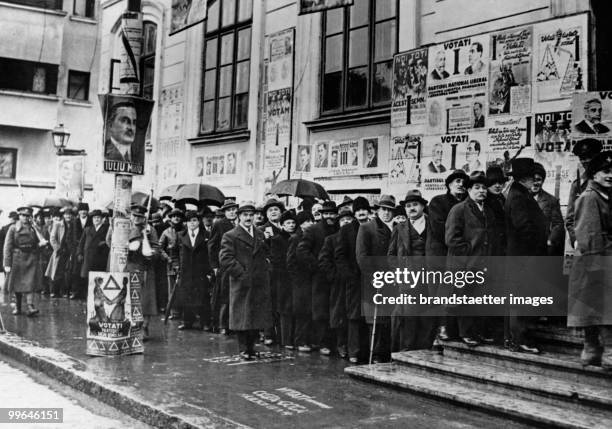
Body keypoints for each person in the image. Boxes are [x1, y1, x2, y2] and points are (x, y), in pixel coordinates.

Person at [568, 151, 612, 368]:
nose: (610, 175)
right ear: (594, 174)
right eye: (606, 171)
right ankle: (605, 351)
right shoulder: (589, 197)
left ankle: (592, 350)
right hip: (595, 261)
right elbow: (588, 234)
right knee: (602, 306)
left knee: (594, 306)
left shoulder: (604, 195)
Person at [446, 171, 500, 347]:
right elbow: (451, 239)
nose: (481, 191)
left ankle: (478, 332)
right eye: (477, 187)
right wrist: (469, 253)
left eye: (484, 187)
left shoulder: (489, 211)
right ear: (469, 190)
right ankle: (466, 333)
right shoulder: (459, 209)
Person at [504, 158, 548, 354]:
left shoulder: (518, 193)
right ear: (525, 178)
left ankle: (517, 338)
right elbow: (524, 227)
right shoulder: (519, 196)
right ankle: (518, 339)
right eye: (532, 178)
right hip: (524, 256)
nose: (534, 182)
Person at [219, 202, 272, 360]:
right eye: (245, 215)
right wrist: (241, 274)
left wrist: (266, 269)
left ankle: (251, 348)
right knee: (242, 316)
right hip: (241, 281)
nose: (248, 218)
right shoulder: (231, 235)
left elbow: (266, 254)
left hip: (259, 281)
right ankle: (243, 348)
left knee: (256, 316)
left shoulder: (260, 234)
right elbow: (226, 259)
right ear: (239, 217)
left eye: (251, 215)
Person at [388, 190, 435, 351]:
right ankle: (406, 351)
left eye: (415, 204)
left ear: (423, 206)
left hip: (430, 280)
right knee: (408, 317)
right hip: (408, 281)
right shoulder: (399, 228)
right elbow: (391, 255)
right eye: (408, 206)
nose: (411, 208)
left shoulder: (433, 225)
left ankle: (424, 351)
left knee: (427, 317)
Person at [426, 170, 468, 341]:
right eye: (457, 181)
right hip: (440, 256)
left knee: (456, 292)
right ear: (449, 184)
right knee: (440, 293)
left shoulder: (467, 204)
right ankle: (440, 329)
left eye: (464, 182)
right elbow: (439, 229)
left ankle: (452, 329)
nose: (460, 185)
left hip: (458, 255)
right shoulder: (438, 202)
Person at [356, 194, 396, 363]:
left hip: (392, 280)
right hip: (374, 280)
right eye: (383, 209)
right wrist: (374, 277)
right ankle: (376, 355)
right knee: (375, 319)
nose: (386, 213)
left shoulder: (396, 228)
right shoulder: (367, 228)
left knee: (388, 318)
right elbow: (362, 257)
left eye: (390, 210)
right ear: (377, 210)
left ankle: (386, 353)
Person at [296, 201, 338, 354]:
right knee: (320, 311)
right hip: (319, 277)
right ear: (321, 215)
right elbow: (302, 251)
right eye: (326, 214)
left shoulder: (340, 229)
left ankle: (332, 343)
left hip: (336, 276)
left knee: (334, 310)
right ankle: (322, 343)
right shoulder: (313, 230)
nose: (329, 217)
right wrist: (316, 266)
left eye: (332, 213)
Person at [336, 197, 371, 363]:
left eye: (364, 209)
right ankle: (354, 352)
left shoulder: (374, 227)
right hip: (354, 280)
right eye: (358, 210)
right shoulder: (347, 230)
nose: (361, 213)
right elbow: (340, 255)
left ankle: (366, 351)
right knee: (354, 316)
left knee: (369, 316)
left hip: (371, 279)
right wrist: (349, 275)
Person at [319, 206, 354, 359]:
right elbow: (324, 260)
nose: (346, 222)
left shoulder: (356, 237)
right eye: (343, 220)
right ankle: (341, 344)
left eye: (349, 220)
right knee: (338, 315)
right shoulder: (332, 239)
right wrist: (334, 276)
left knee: (352, 315)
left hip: (353, 282)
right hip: (338, 284)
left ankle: (351, 344)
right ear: (338, 222)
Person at [3, 206, 45, 316]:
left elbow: (37, 244)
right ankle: (18, 306)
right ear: (19, 216)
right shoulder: (13, 228)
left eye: (27, 216)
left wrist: (40, 245)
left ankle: (30, 306)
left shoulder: (33, 228)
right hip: (17, 259)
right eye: (23, 215)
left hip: (30, 258)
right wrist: (7, 263)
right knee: (17, 284)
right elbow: (7, 247)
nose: (25, 218)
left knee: (30, 283)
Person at [126, 204, 159, 340]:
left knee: (146, 300)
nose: (136, 219)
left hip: (145, 268)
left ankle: (144, 327)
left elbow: (155, 248)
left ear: (144, 218)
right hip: (130, 266)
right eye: (134, 216)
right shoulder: (125, 228)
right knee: (129, 298)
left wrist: (151, 250)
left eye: (140, 217)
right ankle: (130, 326)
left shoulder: (151, 230)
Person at [176, 210, 212, 331]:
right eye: (189, 221)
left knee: (203, 297)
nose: (191, 223)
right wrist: (177, 267)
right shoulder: (181, 235)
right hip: (185, 271)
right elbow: (176, 254)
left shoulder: (206, 235)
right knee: (186, 296)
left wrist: (209, 272)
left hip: (201, 272)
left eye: (194, 220)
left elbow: (210, 254)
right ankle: (187, 321)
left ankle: (205, 322)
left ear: (198, 221)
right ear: (185, 223)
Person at [208, 199, 238, 334]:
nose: (232, 212)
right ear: (225, 212)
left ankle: (234, 324)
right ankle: (222, 325)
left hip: (238, 264)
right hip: (224, 265)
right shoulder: (219, 224)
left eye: (234, 209)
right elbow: (212, 246)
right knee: (223, 295)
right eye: (229, 210)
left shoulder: (240, 224)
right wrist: (214, 266)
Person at [566, 139, 603, 248]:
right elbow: (570, 219)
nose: (586, 161)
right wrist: (576, 241)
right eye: (582, 158)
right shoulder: (577, 185)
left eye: (589, 156)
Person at [287, 211, 315, 351]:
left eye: (311, 220)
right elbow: (290, 261)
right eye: (306, 221)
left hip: (310, 279)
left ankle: (308, 340)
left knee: (309, 310)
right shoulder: (295, 238)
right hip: (300, 280)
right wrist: (296, 278)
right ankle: (300, 341)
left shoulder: (312, 236)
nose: (310, 223)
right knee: (301, 311)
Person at [260, 198, 286, 345]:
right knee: (269, 302)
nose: (274, 212)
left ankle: (281, 335)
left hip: (283, 270)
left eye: (276, 209)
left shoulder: (286, 227)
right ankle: (268, 333)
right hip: (270, 271)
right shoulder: (263, 229)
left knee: (280, 302)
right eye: (270, 210)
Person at [272, 210, 296, 348]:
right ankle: (285, 340)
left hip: (293, 279)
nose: (291, 225)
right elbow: (277, 261)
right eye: (288, 223)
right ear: (282, 225)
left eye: (293, 223)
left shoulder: (297, 238)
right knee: (284, 310)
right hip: (282, 279)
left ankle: (288, 339)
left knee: (290, 309)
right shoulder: (277, 240)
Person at [532, 163, 565, 256]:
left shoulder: (551, 200)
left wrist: (550, 241)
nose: (535, 183)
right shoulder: (519, 199)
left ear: (543, 181)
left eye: (538, 180)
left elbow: (558, 224)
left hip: (543, 248)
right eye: (532, 180)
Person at [46, 206, 78, 298]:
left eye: (70, 214)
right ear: (63, 215)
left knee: (67, 272)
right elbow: (52, 238)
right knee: (56, 271)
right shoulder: (58, 224)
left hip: (69, 251)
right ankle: (53, 291)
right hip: (60, 251)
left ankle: (63, 291)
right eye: (66, 214)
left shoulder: (73, 225)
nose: (68, 216)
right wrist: (58, 248)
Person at [76, 209, 109, 295]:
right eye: (95, 218)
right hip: (87, 258)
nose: (96, 219)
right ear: (92, 219)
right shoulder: (87, 229)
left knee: (98, 280)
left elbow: (108, 241)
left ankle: (95, 302)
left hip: (100, 258)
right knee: (87, 280)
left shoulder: (106, 229)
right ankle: (87, 301)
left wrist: (103, 243)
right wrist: (79, 253)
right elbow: (81, 243)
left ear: (102, 219)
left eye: (98, 218)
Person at [159, 208, 184, 321]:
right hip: (171, 263)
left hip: (184, 263)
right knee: (172, 289)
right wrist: (168, 259)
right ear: (171, 218)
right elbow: (159, 248)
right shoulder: (166, 232)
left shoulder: (186, 230)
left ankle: (185, 313)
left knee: (184, 288)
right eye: (174, 216)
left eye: (178, 216)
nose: (176, 218)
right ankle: (173, 312)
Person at [104, 101, 142, 165]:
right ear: (110, 125)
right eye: (125, 121)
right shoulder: (102, 151)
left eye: (134, 122)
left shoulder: (139, 155)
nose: (131, 127)